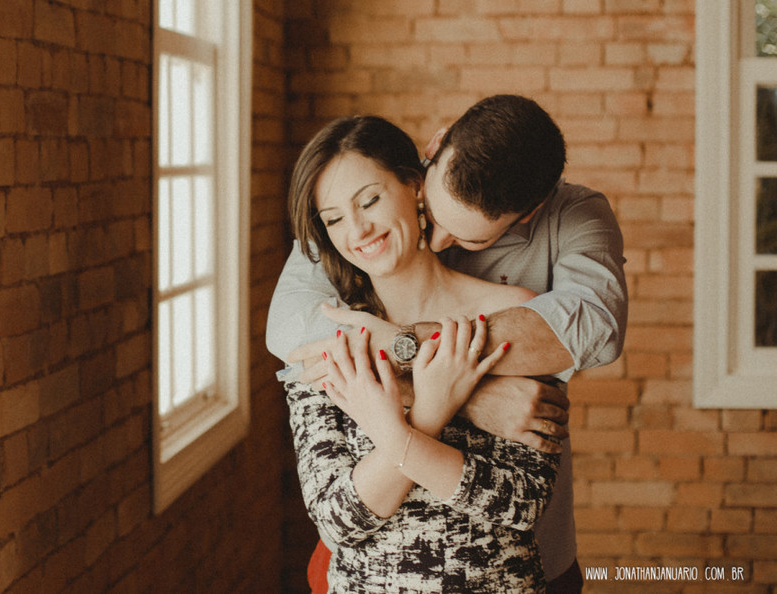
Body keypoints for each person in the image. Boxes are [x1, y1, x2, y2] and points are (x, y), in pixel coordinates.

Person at [269, 95, 629, 593]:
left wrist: (410, 356)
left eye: (471, 239)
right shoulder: (353, 207)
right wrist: (465, 394)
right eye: (431, 212)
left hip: (519, 563)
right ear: (429, 160)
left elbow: (596, 328)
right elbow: (290, 331)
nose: (437, 241)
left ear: (530, 213)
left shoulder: (566, 230)